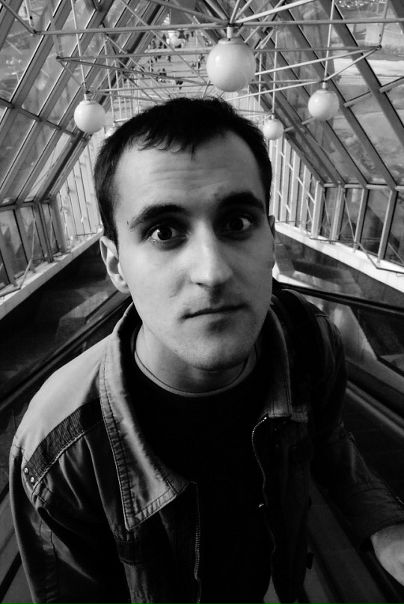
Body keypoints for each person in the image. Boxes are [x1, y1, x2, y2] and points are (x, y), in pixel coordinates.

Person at [9, 97, 404, 604]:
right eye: (164, 232)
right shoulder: (60, 451)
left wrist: (384, 526)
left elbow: (327, 438)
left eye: (236, 222)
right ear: (115, 265)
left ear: (271, 238)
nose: (212, 272)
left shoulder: (308, 339)